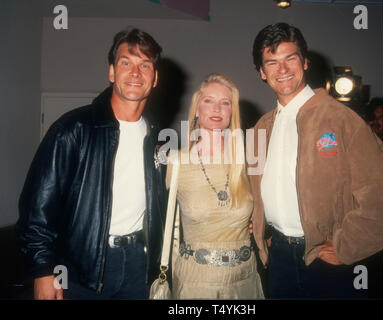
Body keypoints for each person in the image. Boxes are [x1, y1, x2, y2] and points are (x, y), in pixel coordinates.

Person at [248, 22, 383, 299]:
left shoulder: (341, 119)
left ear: (305, 61)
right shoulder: (259, 130)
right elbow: (254, 192)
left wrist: (348, 245)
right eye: (272, 63)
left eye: (291, 58)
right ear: (262, 73)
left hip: (328, 260)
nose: (283, 70)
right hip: (279, 260)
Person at [16, 28, 167, 299]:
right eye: (126, 63)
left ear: (155, 78)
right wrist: (42, 270)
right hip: (80, 269)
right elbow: (36, 209)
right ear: (111, 73)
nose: (136, 73)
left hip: (139, 265)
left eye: (145, 65)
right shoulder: (72, 129)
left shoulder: (158, 137)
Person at [167, 73, 264, 299]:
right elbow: (154, 218)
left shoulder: (249, 161)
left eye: (225, 103)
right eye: (208, 100)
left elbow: (269, 206)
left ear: (232, 112)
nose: (217, 109)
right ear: (197, 110)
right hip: (195, 284)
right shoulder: (176, 162)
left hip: (244, 281)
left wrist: (259, 222)